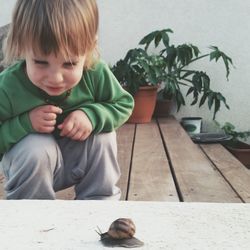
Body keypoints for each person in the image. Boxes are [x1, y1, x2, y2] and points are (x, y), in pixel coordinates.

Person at [0, 0, 134, 200]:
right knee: (35, 147)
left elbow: (123, 103)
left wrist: (91, 115)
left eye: (69, 64)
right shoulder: (8, 86)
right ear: (21, 46)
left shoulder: (95, 71)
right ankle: (31, 214)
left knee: (103, 136)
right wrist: (24, 123)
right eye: (41, 62)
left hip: (76, 160)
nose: (55, 78)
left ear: (89, 48)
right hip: (29, 169)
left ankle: (97, 204)